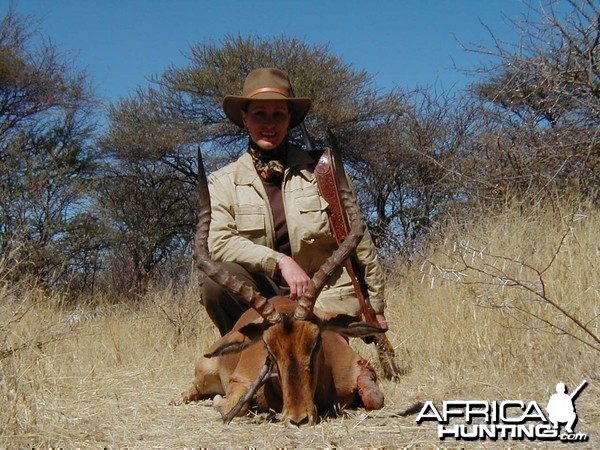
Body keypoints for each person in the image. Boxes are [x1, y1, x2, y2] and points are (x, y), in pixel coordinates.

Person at [202, 67, 387, 336]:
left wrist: (376, 305)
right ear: (245, 119)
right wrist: (280, 262)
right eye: (259, 115)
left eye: (278, 114)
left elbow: (358, 237)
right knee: (214, 284)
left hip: (323, 298)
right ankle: (248, 354)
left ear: (289, 119)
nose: (269, 123)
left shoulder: (323, 171)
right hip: (264, 301)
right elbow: (219, 243)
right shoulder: (222, 182)